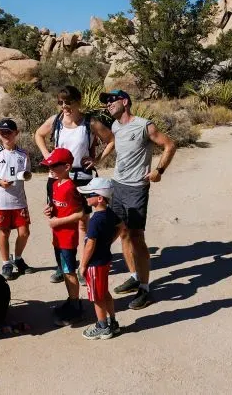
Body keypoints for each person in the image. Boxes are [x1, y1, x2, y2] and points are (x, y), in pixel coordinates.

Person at [98, 89, 176, 310]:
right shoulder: (116, 126)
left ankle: (145, 288)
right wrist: (99, 158)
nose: (108, 105)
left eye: (112, 101)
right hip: (118, 186)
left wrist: (159, 170)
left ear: (124, 101)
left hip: (136, 189)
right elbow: (113, 141)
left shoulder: (144, 125)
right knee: (121, 232)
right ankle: (134, 276)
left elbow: (169, 145)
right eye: (106, 103)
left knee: (136, 236)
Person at [35, 85, 115, 285]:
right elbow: (38, 135)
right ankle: (63, 265)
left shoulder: (90, 123)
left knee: (82, 222)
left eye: (68, 102)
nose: (64, 106)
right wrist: (48, 156)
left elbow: (112, 140)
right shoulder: (56, 122)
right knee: (59, 218)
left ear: (78, 102)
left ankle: (81, 266)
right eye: (61, 102)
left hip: (82, 175)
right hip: (58, 177)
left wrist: (98, 160)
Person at [0, 118, 33, 280]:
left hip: (19, 200)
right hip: (2, 201)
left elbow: (26, 173)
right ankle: (6, 263)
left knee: (24, 233)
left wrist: (24, 176)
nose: (5, 135)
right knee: (4, 232)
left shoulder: (24, 154)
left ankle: (17, 259)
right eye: (2, 132)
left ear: (16, 133)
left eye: (8, 132)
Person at [41, 147, 85, 326]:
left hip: (67, 237)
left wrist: (59, 222)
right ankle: (71, 299)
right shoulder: (54, 184)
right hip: (57, 237)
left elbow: (81, 213)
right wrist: (50, 210)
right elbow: (56, 206)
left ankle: (75, 307)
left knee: (69, 271)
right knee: (64, 269)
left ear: (67, 167)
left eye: (54, 166)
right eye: (48, 166)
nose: (50, 169)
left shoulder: (71, 187)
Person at [77, 177, 121, 339]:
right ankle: (113, 322)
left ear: (100, 198)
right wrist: (109, 241)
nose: (86, 197)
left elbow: (90, 245)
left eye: (90, 194)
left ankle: (103, 326)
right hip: (105, 260)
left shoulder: (95, 220)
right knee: (104, 292)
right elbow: (121, 226)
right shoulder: (110, 214)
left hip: (95, 264)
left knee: (97, 297)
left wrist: (83, 265)